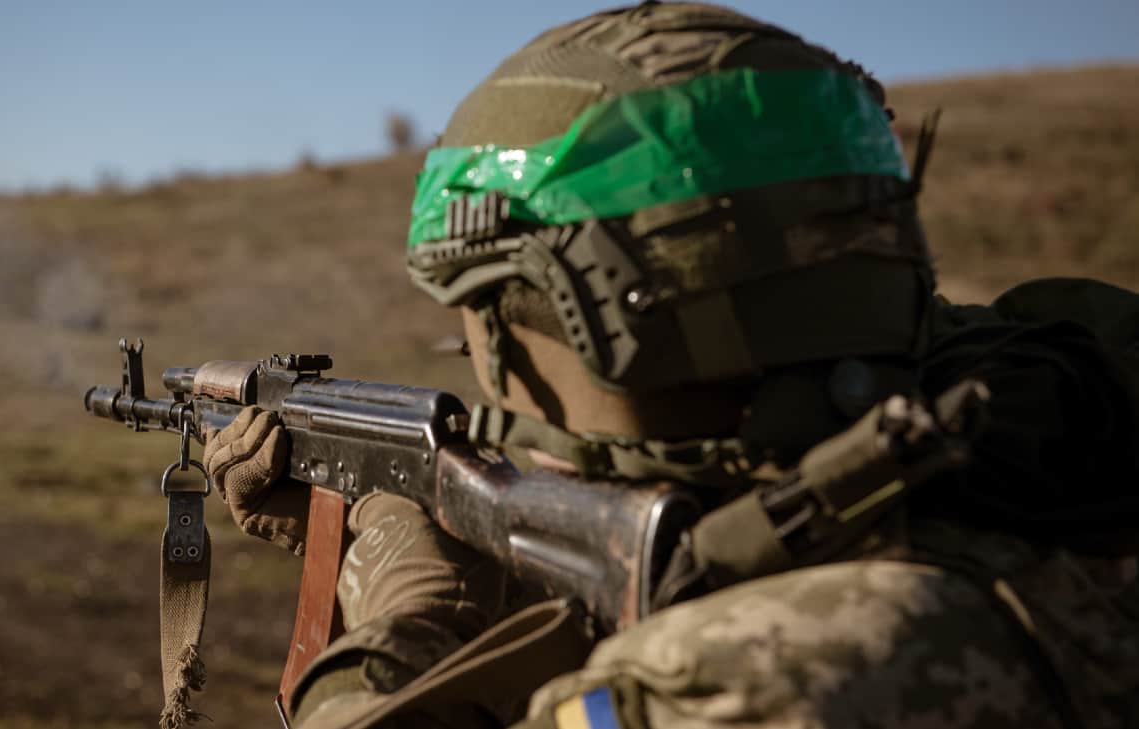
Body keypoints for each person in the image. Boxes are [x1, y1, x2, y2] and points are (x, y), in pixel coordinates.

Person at [203, 4, 1139, 728]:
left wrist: (408, 613)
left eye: (491, 327)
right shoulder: (1048, 449)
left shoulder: (732, 684)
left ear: (597, 326)